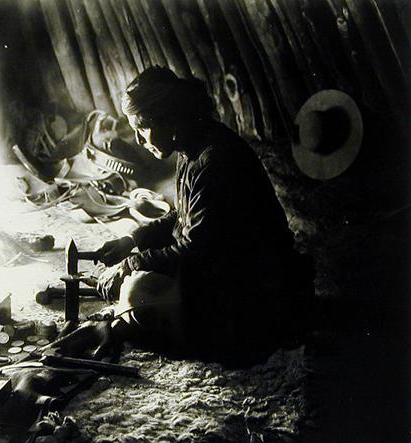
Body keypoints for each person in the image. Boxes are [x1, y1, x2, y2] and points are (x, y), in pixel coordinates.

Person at [92, 66, 314, 365]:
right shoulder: (191, 147)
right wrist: (131, 241)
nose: (139, 139)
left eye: (142, 129)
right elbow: (183, 219)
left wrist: (132, 264)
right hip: (220, 268)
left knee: (137, 294)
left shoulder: (216, 159)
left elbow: (196, 249)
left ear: (169, 118)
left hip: (254, 285)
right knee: (142, 280)